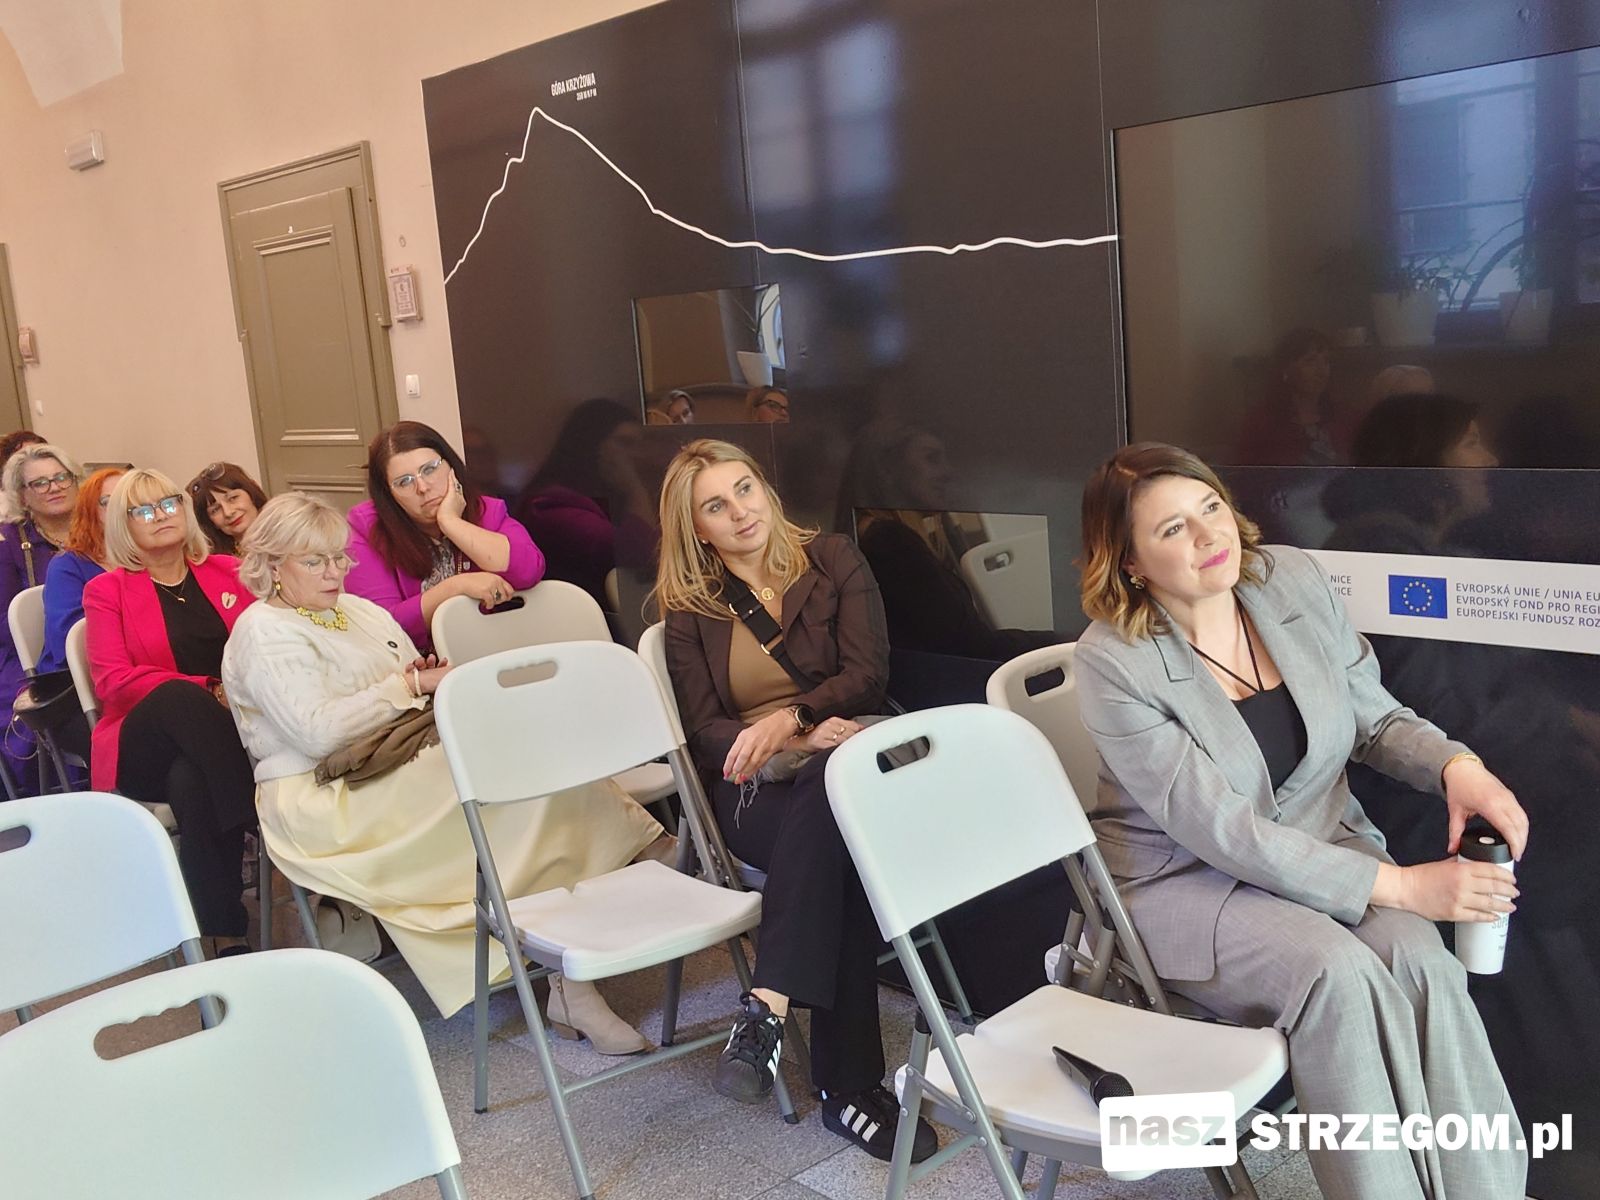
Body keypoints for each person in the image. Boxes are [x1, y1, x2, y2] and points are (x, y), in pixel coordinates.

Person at [1073, 442, 1528, 1199]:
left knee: (1419, 957)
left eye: (1211, 507)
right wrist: (1406, 887)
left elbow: (1375, 718)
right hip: (1184, 884)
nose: (1209, 535)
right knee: (1338, 975)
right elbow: (1224, 831)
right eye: (1173, 529)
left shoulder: (1288, 580)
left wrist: (1458, 767)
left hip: (1318, 847)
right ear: (1129, 562)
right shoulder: (1114, 662)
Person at [223, 493, 665, 1037]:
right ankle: (633, 872)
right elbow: (318, 734)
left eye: (339, 557)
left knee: (520, 770)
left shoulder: (357, 611)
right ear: (272, 566)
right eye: (315, 561)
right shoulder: (264, 631)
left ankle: (573, 971)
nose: (335, 572)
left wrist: (418, 680)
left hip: (393, 761)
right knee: (502, 784)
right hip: (323, 795)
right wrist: (408, 685)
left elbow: (402, 683)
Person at [654, 438, 937, 1163]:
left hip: (857, 758)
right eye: (715, 505)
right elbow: (704, 728)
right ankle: (848, 1088)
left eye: (745, 489)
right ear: (697, 529)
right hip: (758, 786)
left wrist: (793, 719)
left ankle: (770, 1006)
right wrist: (791, 740)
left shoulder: (834, 558)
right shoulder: (690, 610)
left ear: (767, 490)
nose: (739, 511)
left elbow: (867, 675)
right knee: (834, 835)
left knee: (833, 785)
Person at [84, 469, 256, 954]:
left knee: (192, 781)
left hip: (219, 745)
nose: (159, 516)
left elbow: (264, 644)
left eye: (167, 503)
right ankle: (256, 814)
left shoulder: (227, 571)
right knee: (179, 696)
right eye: (142, 510)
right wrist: (207, 688)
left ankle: (225, 934)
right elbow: (112, 682)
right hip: (146, 744)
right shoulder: (107, 591)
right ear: (123, 526)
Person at [345, 421, 544, 652]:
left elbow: (529, 571)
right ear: (389, 495)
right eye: (404, 482)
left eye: (429, 469)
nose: (422, 487)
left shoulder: (487, 511)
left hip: (491, 652)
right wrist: (455, 587)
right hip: (417, 664)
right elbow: (380, 628)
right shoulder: (367, 529)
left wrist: (451, 522)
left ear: (451, 467)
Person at [518, 399, 658, 607]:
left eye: (639, 445)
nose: (636, 455)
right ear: (592, 445)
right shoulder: (549, 505)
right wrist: (634, 487)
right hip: (574, 619)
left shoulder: (612, 496)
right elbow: (640, 555)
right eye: (624, 443)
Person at [0, 442, 81, 791]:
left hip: (98, 646)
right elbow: (4, 623)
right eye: (40, 483)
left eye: (61, 477)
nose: (54, 488)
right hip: (29, 659)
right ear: (23, 495)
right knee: (29, 714)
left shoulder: (99, 529)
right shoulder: (8, 543)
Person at [33, 467, 125, 760]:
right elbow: (68, 645)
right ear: (90, 511)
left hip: (134, 682)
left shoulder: (151, 558)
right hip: (76, 694)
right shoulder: (68, 566)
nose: (122, 508)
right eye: (109, 502)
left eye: (130, 500)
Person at [1236, 328, 1344, 465]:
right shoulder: (1260, 423)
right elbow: (1244, 471)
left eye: (1326, 361)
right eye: (1310, 361)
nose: (1321, 371)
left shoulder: (1344, 416)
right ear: (1286, 368)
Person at [187, 461, 269, 554]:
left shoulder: (282, 534)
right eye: (215, 510)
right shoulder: (218, 561)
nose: (228, 512)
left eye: (233, 498)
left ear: (252, 494)